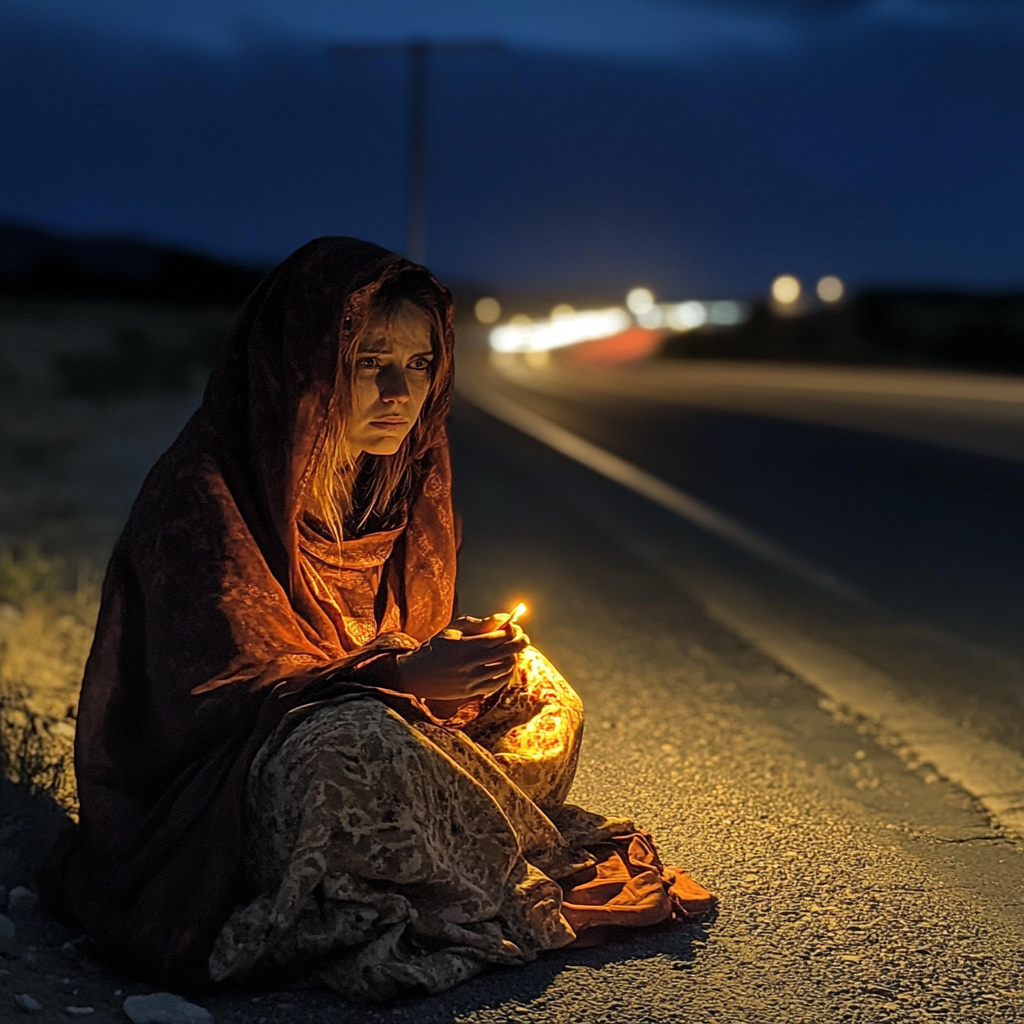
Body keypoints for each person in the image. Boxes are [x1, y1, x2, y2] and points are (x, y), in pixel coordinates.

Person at [41, 238, 712, 1002]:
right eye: (369, 363)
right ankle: (444, 838)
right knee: (358, 748)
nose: (400, 390)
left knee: (542, 694)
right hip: (237, 777)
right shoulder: (208, 493)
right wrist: (393, 678)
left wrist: (449, 665)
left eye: (421, 365)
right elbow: (218, 697)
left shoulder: (399, 479)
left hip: (379, 716)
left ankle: (443, 829)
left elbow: (402, 647)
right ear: (306, 365)